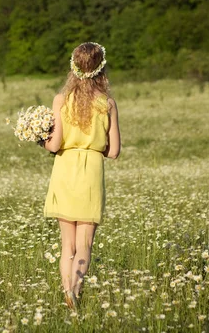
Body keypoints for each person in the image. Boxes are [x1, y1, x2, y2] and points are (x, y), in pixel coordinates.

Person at [43, 42, 121, 309]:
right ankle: (76, 292)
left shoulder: (60, 100)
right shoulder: (107, 104)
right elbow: (113, 152)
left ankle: (68, 292)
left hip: (64, 169)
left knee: (68, 245)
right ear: (101, 69)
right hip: (91, 173)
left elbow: (54, 145)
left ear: (73, 68)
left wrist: (42, 140)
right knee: (84, 244)